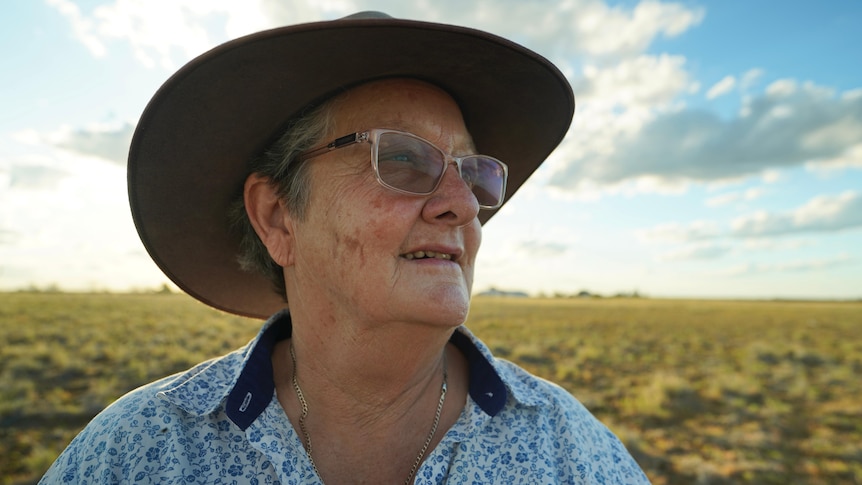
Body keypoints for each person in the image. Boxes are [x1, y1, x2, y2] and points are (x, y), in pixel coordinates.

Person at [41, 12, 650, 484]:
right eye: (404, 159)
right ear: (277, 217)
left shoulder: (572, 450)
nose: (462, 205)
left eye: (474, 174)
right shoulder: (138, 452)